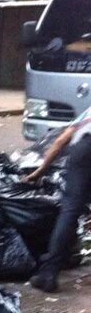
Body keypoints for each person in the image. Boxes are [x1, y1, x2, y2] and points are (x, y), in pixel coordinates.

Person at [25, 106, 91, 292]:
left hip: (85, 150)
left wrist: (39, 171)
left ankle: (48, 274)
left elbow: (61, 140)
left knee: (70, 210)